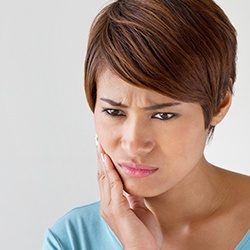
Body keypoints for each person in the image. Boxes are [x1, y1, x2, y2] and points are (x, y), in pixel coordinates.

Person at [42, 0, 250, 249]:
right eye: (114, 111)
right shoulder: (72, 240)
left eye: (163, 115)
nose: (134, 143)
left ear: (220, 104)